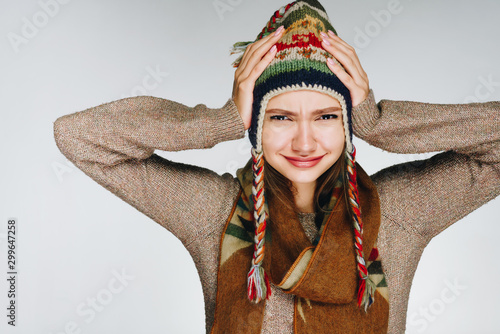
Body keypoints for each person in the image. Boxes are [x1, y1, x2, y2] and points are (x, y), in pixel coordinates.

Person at [53, 0, 500, 333]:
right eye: (281, 117)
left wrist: (378, 120)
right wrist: (219, 119)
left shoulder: (398, 211)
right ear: (255, 124)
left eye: (327, 116)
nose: (304, 141)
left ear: (348, 123)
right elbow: (81, 137)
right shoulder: (216, 213)